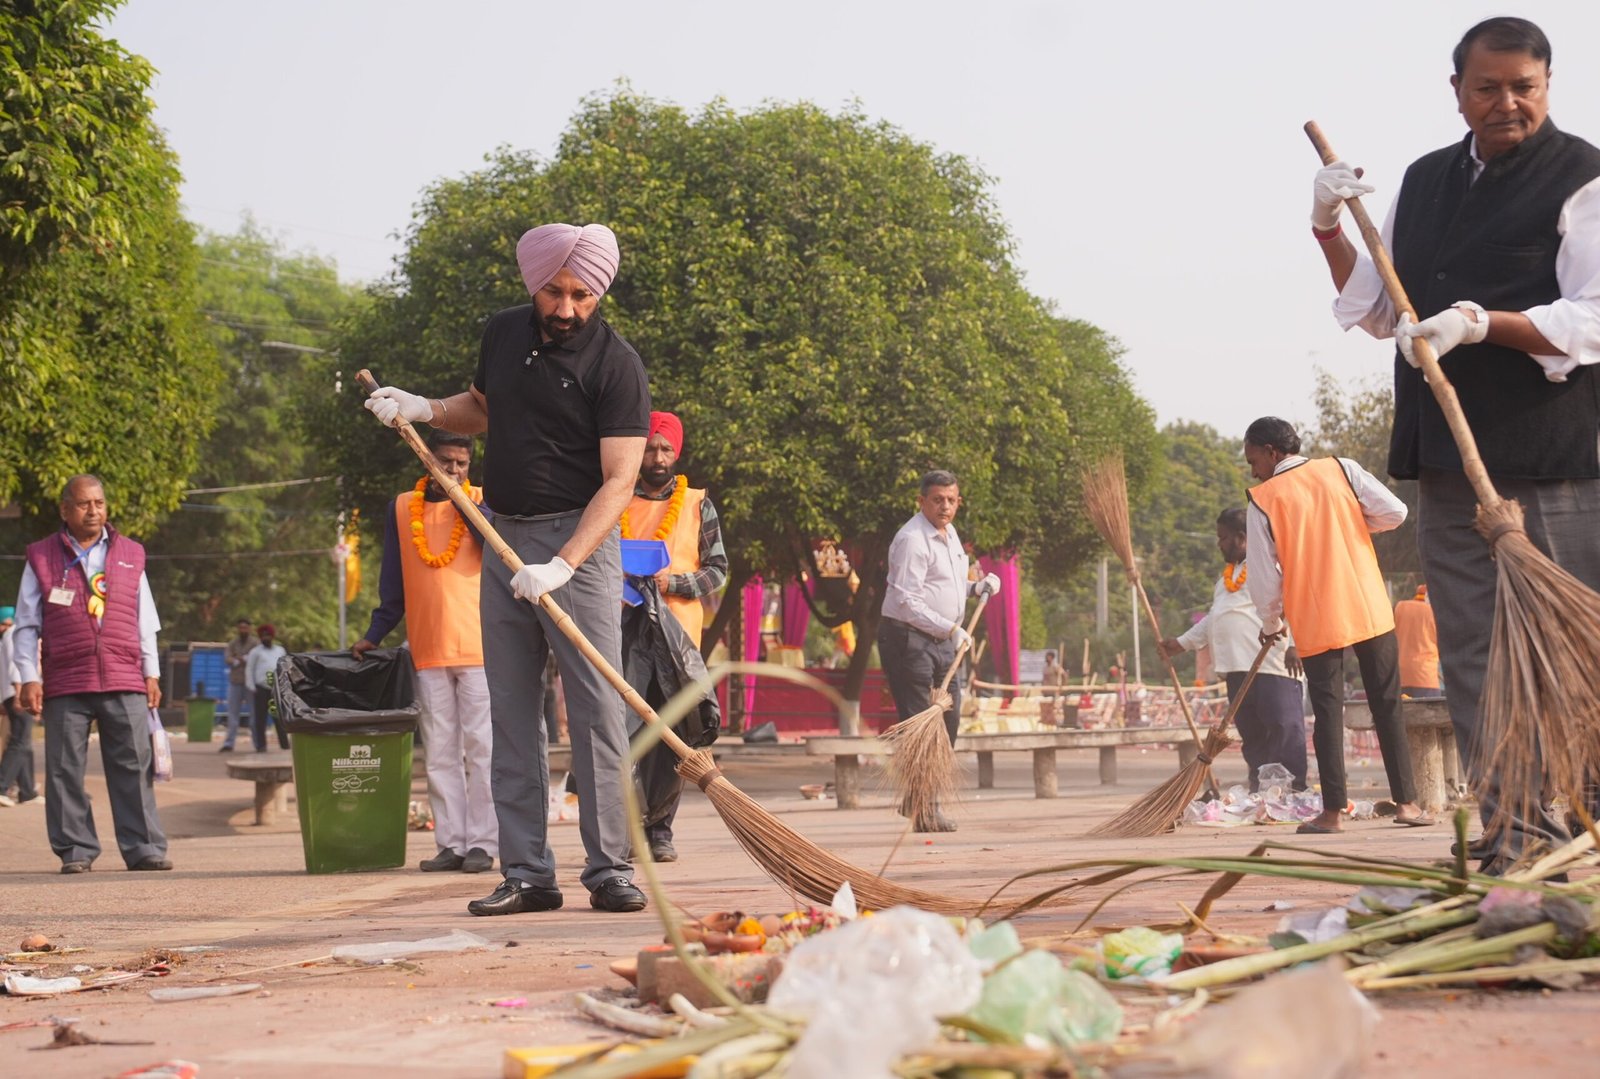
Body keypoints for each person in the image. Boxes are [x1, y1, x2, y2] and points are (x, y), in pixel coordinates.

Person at [1308, 16, 1600, 866]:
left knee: (1575, 652)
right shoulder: (1425, 181)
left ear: (1547, 86)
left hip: (1557, 464)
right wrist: (1328, 223)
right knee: (1473, 654)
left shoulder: (1583, 176)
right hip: (1450, 467)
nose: (1507, 103)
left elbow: (1591, 318)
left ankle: (1585, 821)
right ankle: (1515, 832)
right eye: (1488, 88)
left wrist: (1483, 323)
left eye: (1525, 87)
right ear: (1458, 92)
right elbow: (1373, 304)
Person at [364, 222, 651, 916]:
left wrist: (562, 564)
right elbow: (485, 410)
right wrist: (425, 407)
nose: (566, 307)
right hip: (500, 533)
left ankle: (610, 867)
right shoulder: (502, 334)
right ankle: (526, 871)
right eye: (554, 291)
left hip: (575, 545)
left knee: (594, 714)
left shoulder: (617, 365)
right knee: (511, 714)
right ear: (534, 283)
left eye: (582, 294)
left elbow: (620, 481)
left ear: (598, 291)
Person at [1242, 419, 1430, 834]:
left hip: (1315, 612)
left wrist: (1271, 621)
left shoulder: (1262, 499)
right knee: (1387, 703)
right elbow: (1395, 512)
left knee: (1328, 712)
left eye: (1253, 459)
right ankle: (1409, 804)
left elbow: (1263, 576)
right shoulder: (1341, 468)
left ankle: (1332, 813)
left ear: (1272, 452)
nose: (1253, 470)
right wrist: (1356, 529)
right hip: (1367, 603)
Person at [354, 429, 497, 874]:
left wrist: (461, 498)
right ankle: (450, 843)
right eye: (444, 461)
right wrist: (375, 633)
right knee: (439, 751)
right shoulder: (402, 508)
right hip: (428, 648)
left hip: (478, 648)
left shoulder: (482, 501)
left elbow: (493, 546)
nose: (452, 470)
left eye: (461, 464)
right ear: (424, 458)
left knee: (481, 749)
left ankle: (483, 843)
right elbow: (392, 582)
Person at [12, 475, 171, 872]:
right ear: (65, 510)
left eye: (99, 503)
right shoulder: (42, 557)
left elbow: (144, 619)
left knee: (135, 764)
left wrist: (151, 672)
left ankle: (144, 848)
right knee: (64, 768)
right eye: (84, 504)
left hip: (123, 674)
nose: (93, 511)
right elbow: (27, 623)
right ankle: (76, 850)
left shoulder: (131, 554)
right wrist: (30, 676)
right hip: (67, 678)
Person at [620, 410, 727, 863]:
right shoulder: (614, 497)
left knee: (669, 736)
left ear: (676, 452)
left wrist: (672, 585)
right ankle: (621, 833)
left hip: (677, 642)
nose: (658, 457)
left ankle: (659, 831)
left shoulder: (697, 502)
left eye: (665, 448)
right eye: (649, 448)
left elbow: (717, 571)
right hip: (622, 631)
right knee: (621, 734)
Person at [877, 469, 1001, 832]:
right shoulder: (912, 539)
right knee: (921, 724)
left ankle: (918, 800)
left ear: (958, 501)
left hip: (944, 640)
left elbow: (945, 587)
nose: (944, 506)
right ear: (922, 501)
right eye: (937, 500)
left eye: (951, 500)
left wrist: (976, 588)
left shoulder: (950, 536)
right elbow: (907, 598)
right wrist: (950, 627)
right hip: (908, 639)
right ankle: (925, 809)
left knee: (948, 721)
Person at [1160, 507, 1308, 792]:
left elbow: (1298, 602)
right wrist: (1181, 644)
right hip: (1236, 669)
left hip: (1272, 665)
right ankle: (1262, 789)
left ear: (1242, 538)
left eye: (1223, 537)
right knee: (1252, 734)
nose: (1219, 543)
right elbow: (1215, 620)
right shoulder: (1225, 581)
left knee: (1283, 728)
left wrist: (1296, 644)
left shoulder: (1274, 565)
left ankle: (1294, 790)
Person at [0, 605, 40, 807]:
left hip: (12, 693)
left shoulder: (5, 637)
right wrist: (18, 694)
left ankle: (27, 791)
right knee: (19, 742)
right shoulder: (14, 634)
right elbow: (15, 666)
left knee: (24, 743)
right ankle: (2, 786)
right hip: (19, 692)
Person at [244, 625, 288, 751]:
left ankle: (284, 745)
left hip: (276, 688)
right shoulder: (255, 652)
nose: (265, 638)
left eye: (267, 635)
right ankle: (261, 746)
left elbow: (285, 668)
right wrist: (251, 686)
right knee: (260, 719)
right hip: (260, 688)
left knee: (279, 718)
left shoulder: (280, 650)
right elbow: (249, 669)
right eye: (263, 636)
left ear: (272, 636)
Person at [1394, 584, 1442, 699]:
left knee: (1404, 715)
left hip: (1402, 676)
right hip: (1426, 676)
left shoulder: (1400, 607)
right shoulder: (1434, 612)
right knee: (1429, 715)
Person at [220, 618, 257, 752]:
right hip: (235, 681)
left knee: (254, 716)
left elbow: (254, 658)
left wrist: (240, 659)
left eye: (245, 628)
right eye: (240, 628)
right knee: (232, 715)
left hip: (250, 683)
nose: (243, 630)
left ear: (249, 629)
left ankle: (257, 744)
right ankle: (229, 743)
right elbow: (227, 658)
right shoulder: (233, 643)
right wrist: (239, 659)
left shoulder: (255, 643)